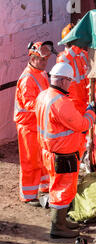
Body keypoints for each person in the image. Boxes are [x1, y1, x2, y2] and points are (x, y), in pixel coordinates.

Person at [35, 62, 96, 238]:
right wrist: (90, 112)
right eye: (69, 81)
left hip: (50, 152)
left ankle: (61, 222)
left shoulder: (43, 96)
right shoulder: (61, 102)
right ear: (63, 81)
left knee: (57, 186)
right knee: (62, 190)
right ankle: (58, 227)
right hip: (64, 154)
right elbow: (82, 124)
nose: (70, 85)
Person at [14, 41, 54, 207]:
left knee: (42, 156)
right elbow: (29, 104)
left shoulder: (41, 73)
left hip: (37, 123)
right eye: (41, 59)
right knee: (30, 160)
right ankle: (28, 195)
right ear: (33, 57)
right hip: (28, 126)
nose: (45, 62)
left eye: (46, 59)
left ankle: (45, 187)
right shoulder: (27, 78)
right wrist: (48, 106)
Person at [57, 23, 91, 159]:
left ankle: (82, 157)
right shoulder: (63, 57)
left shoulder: (82, 55)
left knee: (84, 132)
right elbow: (65, 59)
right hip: (71, 103)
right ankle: (77, 156)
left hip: (83, 100)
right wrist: (77, 43)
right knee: (75, 133)